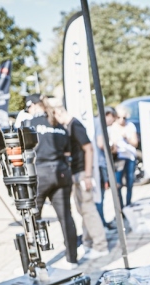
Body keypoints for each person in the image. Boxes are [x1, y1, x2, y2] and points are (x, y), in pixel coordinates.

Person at [25, 94, 79, 268]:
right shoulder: (58, 125)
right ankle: (72, 259)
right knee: (66, 217)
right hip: (61, 172)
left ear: (33, 106)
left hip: (39, 174)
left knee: (32, 219)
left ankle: (33, 263)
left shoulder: (28, 124)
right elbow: (67, 152)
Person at [52, 103, 109, 259]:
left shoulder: (75, 125)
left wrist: (88, 175)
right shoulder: (70, 125)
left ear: (58, 112)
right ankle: (89, 242)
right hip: (77, 173)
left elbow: (88, 148)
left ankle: (100, 245)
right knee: (82, 209)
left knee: (88, 209)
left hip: (82, 173)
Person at [112, 105, 138, 206]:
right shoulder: (113, 127)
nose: (121, 120)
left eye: (124, 117)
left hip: (130, 156)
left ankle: (128, 204)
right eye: (119, 117)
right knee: (118, 183)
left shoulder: (130, 126)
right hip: (119, 157)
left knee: (130, 181)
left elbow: (135, 143)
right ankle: (121, 207)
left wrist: (127, 137)